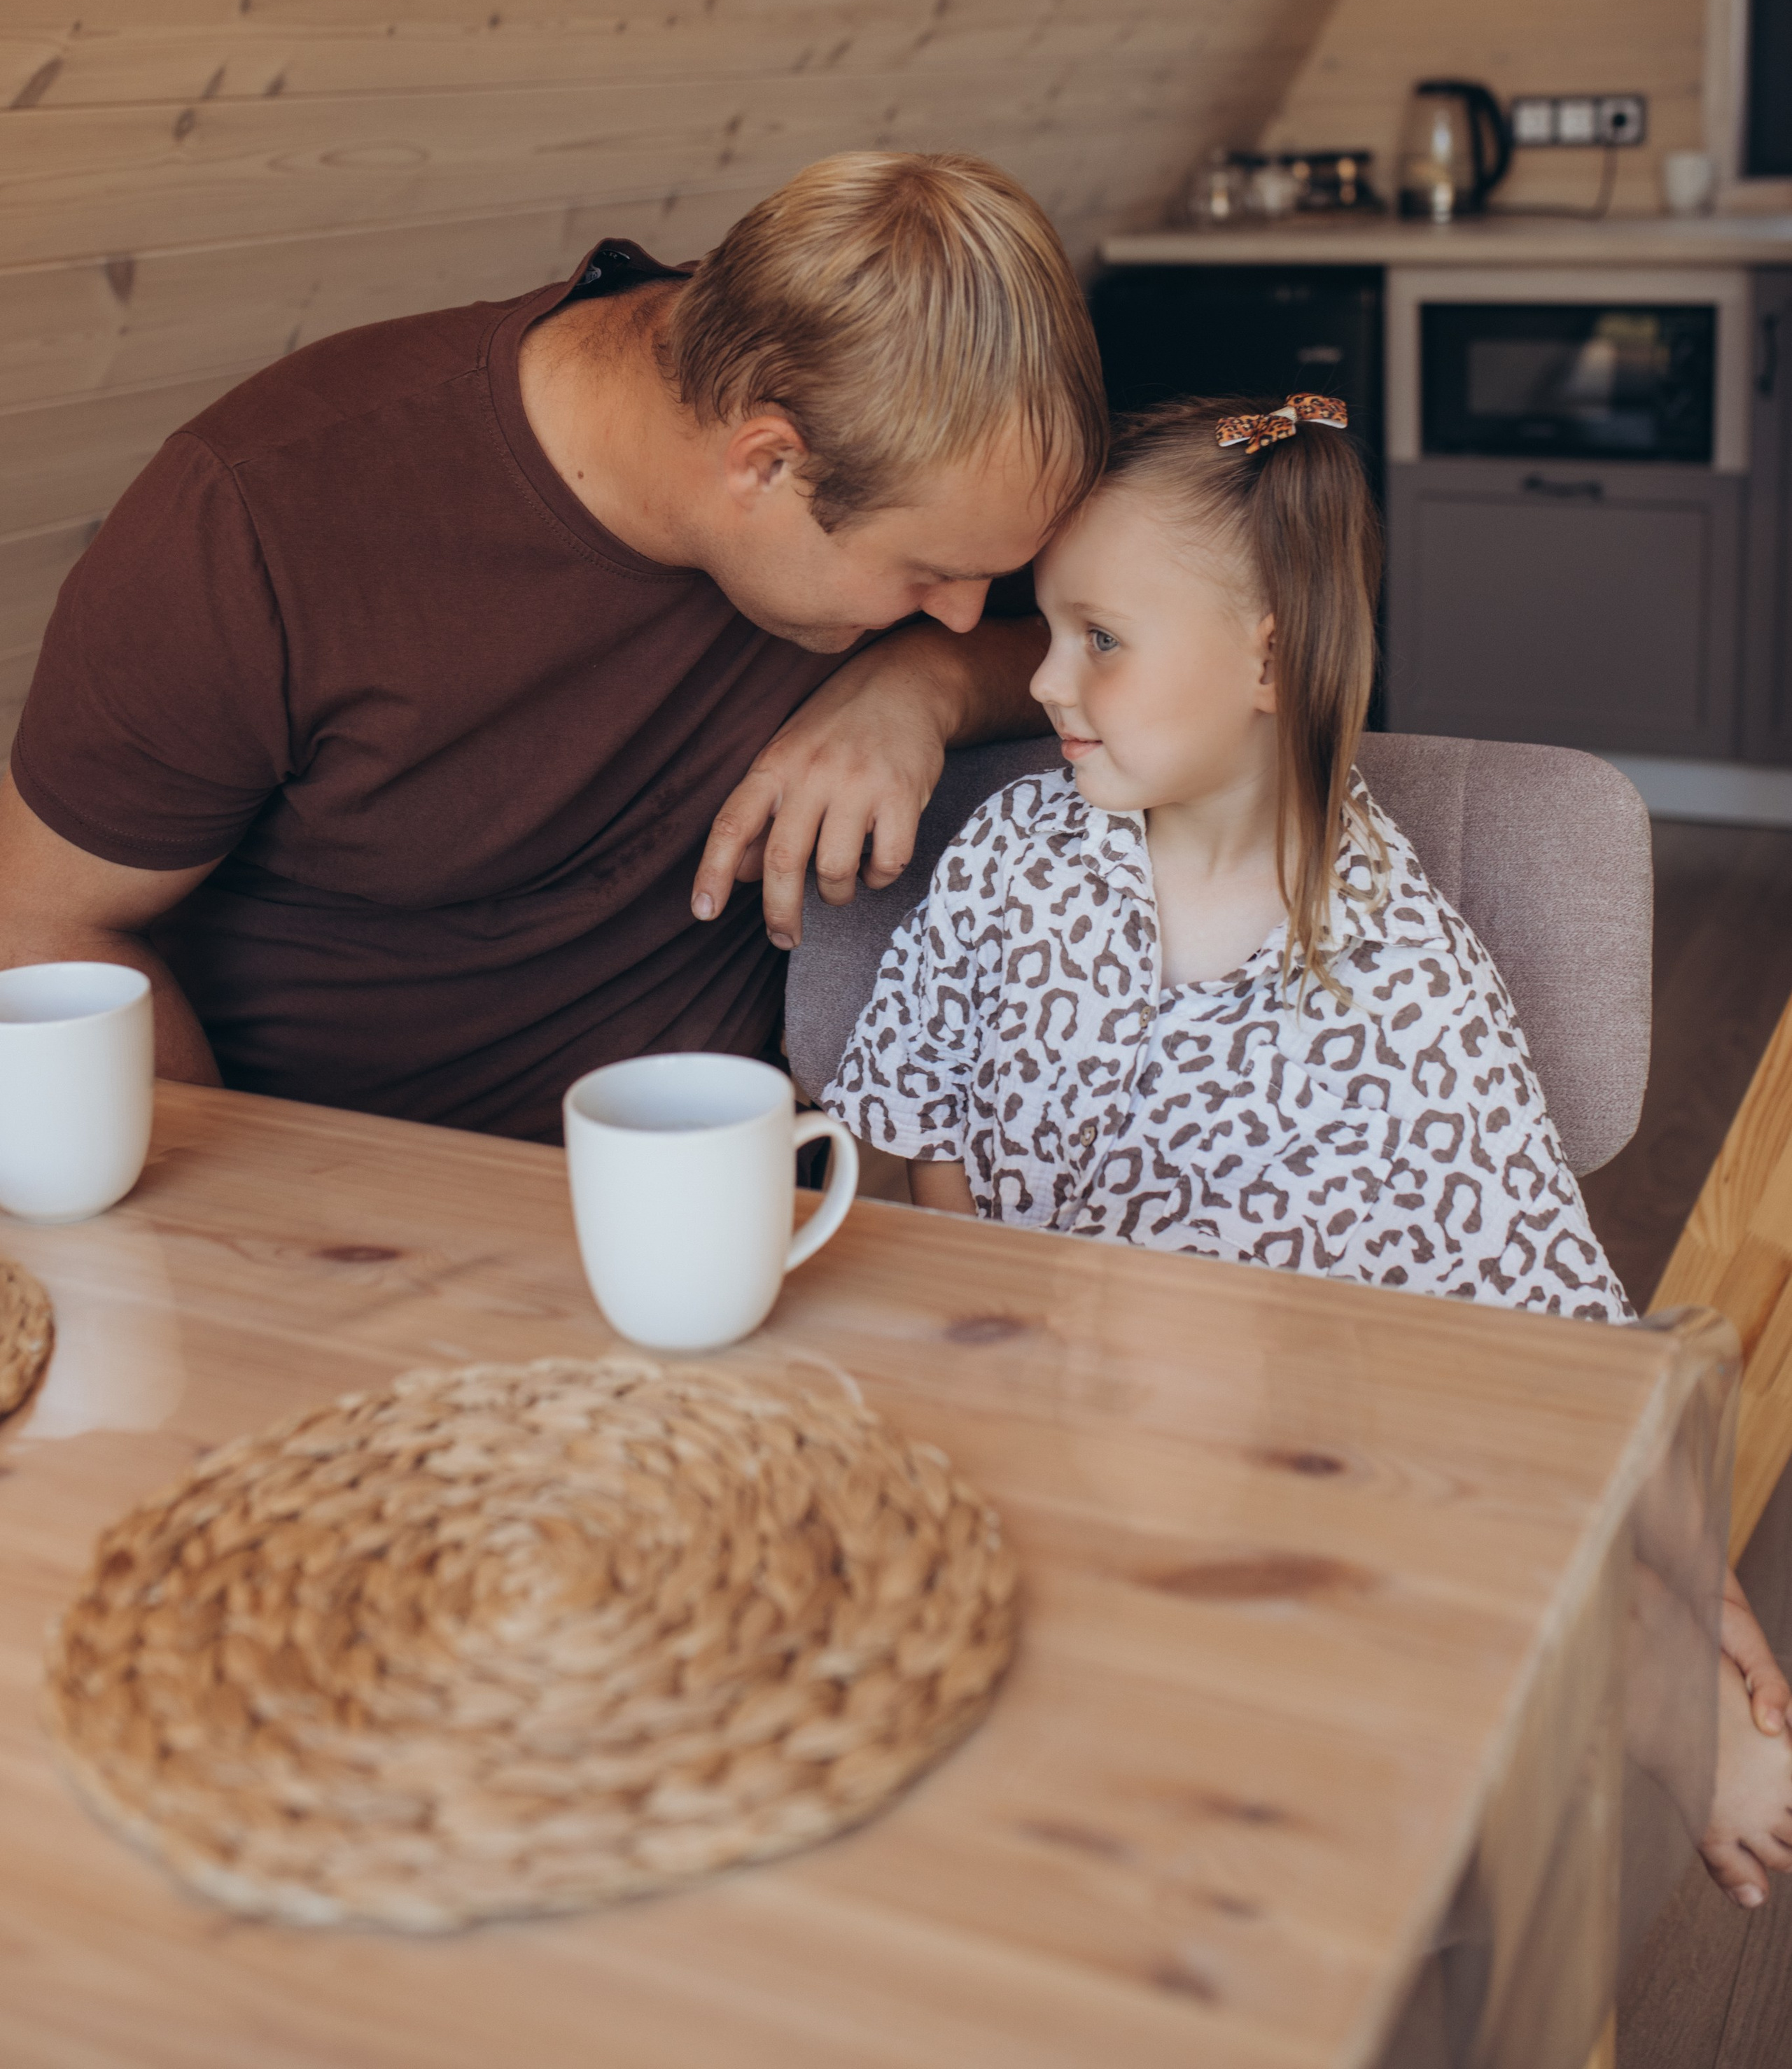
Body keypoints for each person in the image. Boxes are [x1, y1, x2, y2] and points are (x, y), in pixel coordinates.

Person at [824, 391, 1792, 1908]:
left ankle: (1634, 1668)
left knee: (1465, 1522)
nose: (1042, 678)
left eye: (1100, 639)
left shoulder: (1400, 978)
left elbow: (1542, 1319)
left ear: (1269, 651)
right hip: (1005, 1445)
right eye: (1046, 629)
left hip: (1297, 1498)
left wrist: (1685, 1580)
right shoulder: (1015, 855)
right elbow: (924, 1125)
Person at [0, 152, 1105, 1144]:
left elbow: (1128, 654)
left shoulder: (912, 448)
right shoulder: (261, 516)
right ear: (766, 464)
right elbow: (43, 924)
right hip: (337, 1192)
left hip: (713, 1187)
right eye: (927, 579)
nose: (965, 607)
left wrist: (927, 685)